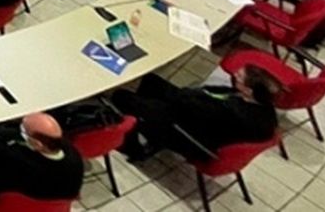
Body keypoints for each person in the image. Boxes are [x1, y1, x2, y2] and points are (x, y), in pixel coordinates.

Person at [115, 65, 280, 162]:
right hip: (196, 114)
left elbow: (190, 105)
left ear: (248, 90)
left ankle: (133, 147)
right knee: (150, 80)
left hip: (186, 131)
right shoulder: (262, 105)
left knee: (122, 96)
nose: (234, 75)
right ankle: (147, 129)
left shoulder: (233, 112)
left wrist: (187, 95)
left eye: (239, 77)